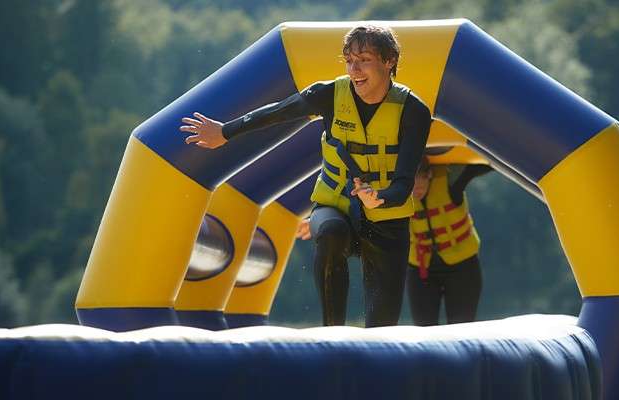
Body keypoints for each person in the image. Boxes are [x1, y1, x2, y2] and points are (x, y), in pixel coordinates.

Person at [180, 25, 431, 327]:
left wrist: (380, 198)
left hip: (387, 218)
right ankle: (331, 332)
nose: (354, 69)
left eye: (363, 59)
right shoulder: (329, 94)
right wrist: (225, 131)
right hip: (336, 206)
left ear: (389, 61)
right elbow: (279, 112)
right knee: (328, 232)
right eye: (349, 60)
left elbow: (404, 182)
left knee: (383, 327)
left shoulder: (413, 111)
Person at [406, 156, 492, 326]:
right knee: (424, 332)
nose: (417, 189)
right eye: (411, 184)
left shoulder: (451, 179)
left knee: (462, 330)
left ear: (429, 174)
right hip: (421, 269)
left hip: (462, 267)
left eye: (421, 181)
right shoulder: (395, 187)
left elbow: (487, 162)